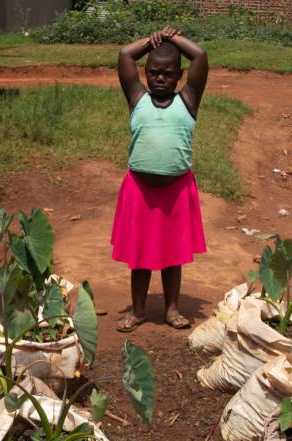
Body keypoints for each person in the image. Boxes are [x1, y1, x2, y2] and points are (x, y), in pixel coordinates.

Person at [113, 27, 208, 332]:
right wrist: (153, 38)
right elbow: (125, 54)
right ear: (145, 72)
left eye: (167, 73)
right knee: (139, 257)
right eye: (153, 72)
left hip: (176, 191)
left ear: (180, 75)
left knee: (172, 255)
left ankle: (172, 310)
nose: (160, 78)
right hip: (140, 191)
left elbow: (200, 56)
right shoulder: (137, 97)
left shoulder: (188, 100)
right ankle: (138, 311)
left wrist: (173, 38)